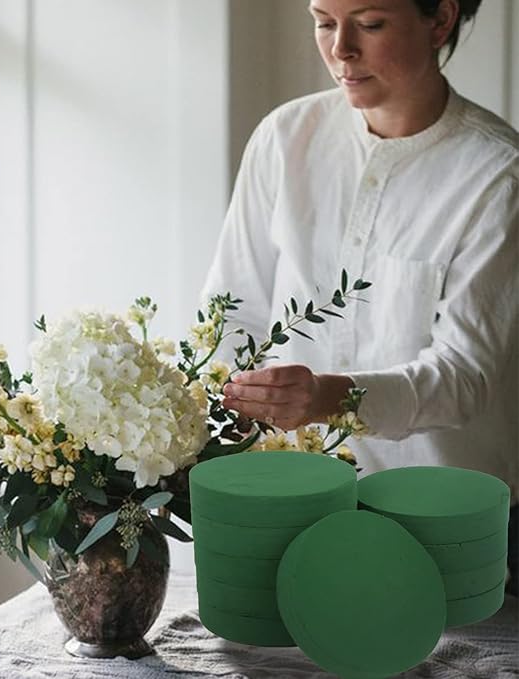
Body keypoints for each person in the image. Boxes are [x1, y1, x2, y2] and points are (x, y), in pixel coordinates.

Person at [201, 0, 518, 594]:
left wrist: (331, 397)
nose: (340, 49)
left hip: (442, 530)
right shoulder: (285, 138)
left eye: (370, 24)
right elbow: (231, 311)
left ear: (440, 20)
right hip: (289, 511)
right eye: (324, 21)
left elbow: (463, 377)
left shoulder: (498, 173)